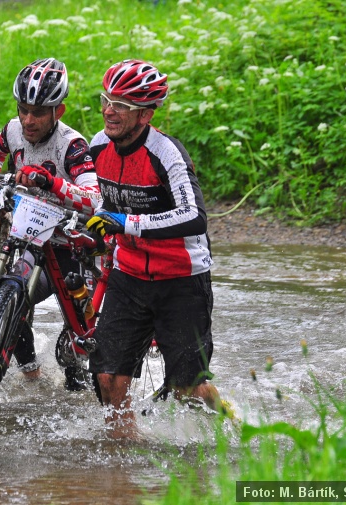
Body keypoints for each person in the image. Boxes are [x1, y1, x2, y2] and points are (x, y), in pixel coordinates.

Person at [86, 59, 222, 437]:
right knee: (108, 378)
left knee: (188, 390)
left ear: (145, 114)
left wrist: (127, 223)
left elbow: (195, 216)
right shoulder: (98, 146)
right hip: (128, 274)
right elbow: (98, 199)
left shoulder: (166, 153)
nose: (109, 111)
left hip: (181, 278)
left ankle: (235, 430)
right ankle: (125, 455)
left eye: (121, 105)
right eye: (106, 100)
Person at [0, 57, 100, 389]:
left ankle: (78, 376)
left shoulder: (72, 146)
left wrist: (52, 183)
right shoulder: (13, 130)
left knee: (76, 350)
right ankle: (32, 375)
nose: (28, 120)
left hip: (71, 246)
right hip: (33, 238)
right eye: (23, 110)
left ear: (58, 111)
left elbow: (94, 199)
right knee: (10, 296)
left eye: (38, 113)